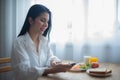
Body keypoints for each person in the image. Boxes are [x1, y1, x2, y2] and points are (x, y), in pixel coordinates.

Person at [11, 4, 72, 80]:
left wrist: (53, 62)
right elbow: (24, 72)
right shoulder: (19, 43)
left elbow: (50, 57)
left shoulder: (44, 40)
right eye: (42, 20)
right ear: (31, 20)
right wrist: (52, 70)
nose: (46, 25)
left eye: (47, 22)